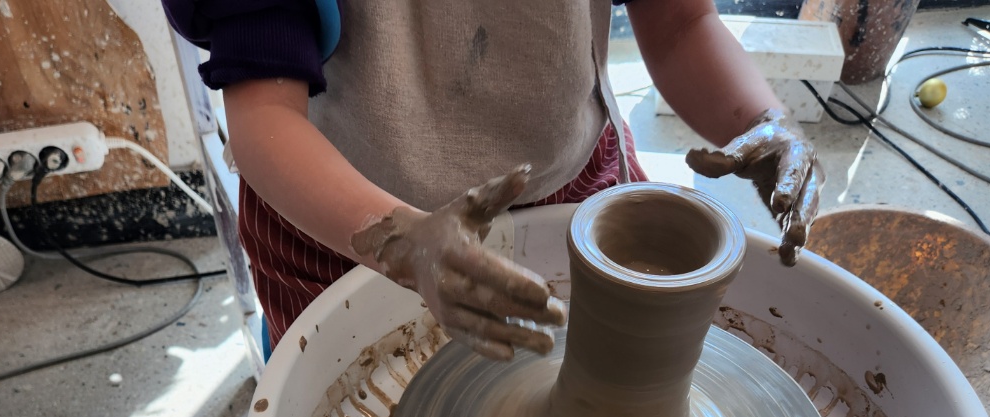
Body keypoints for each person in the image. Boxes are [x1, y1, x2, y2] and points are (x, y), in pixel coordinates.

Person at [163, 0, 823, 358]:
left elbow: (679, 23)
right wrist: (401, 242)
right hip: (343, 212)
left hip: (568, 173)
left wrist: (763, 124)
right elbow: (265, 118)